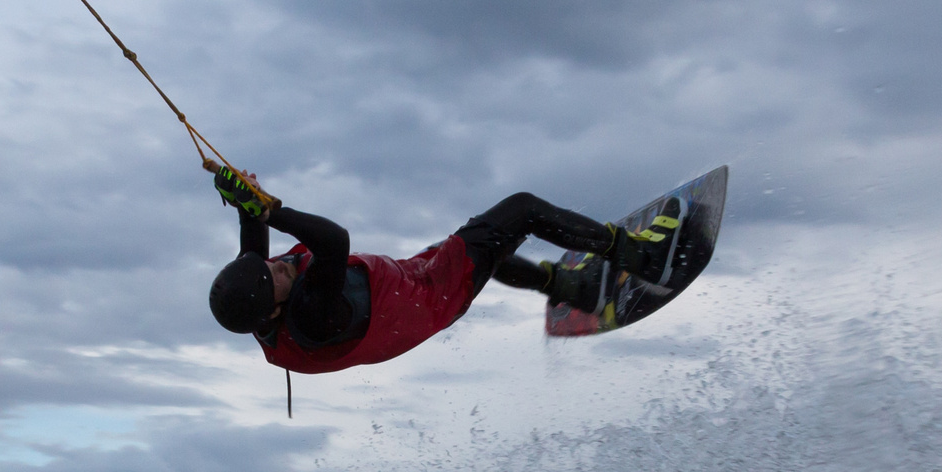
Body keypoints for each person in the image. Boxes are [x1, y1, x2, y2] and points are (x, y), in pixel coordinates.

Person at [202, 163, 677, 374]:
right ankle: (641, 257)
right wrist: (272, 211)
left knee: (486, 249)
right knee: (523, 210)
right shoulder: (311, 316)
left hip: (410, 281)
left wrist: (245, 200)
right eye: (279, 276)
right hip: (432, 295)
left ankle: (568, 285)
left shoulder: (260, 303)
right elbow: (333, 242)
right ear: (273, 311)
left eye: (271, 265)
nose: (280, 265)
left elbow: (254, 253)